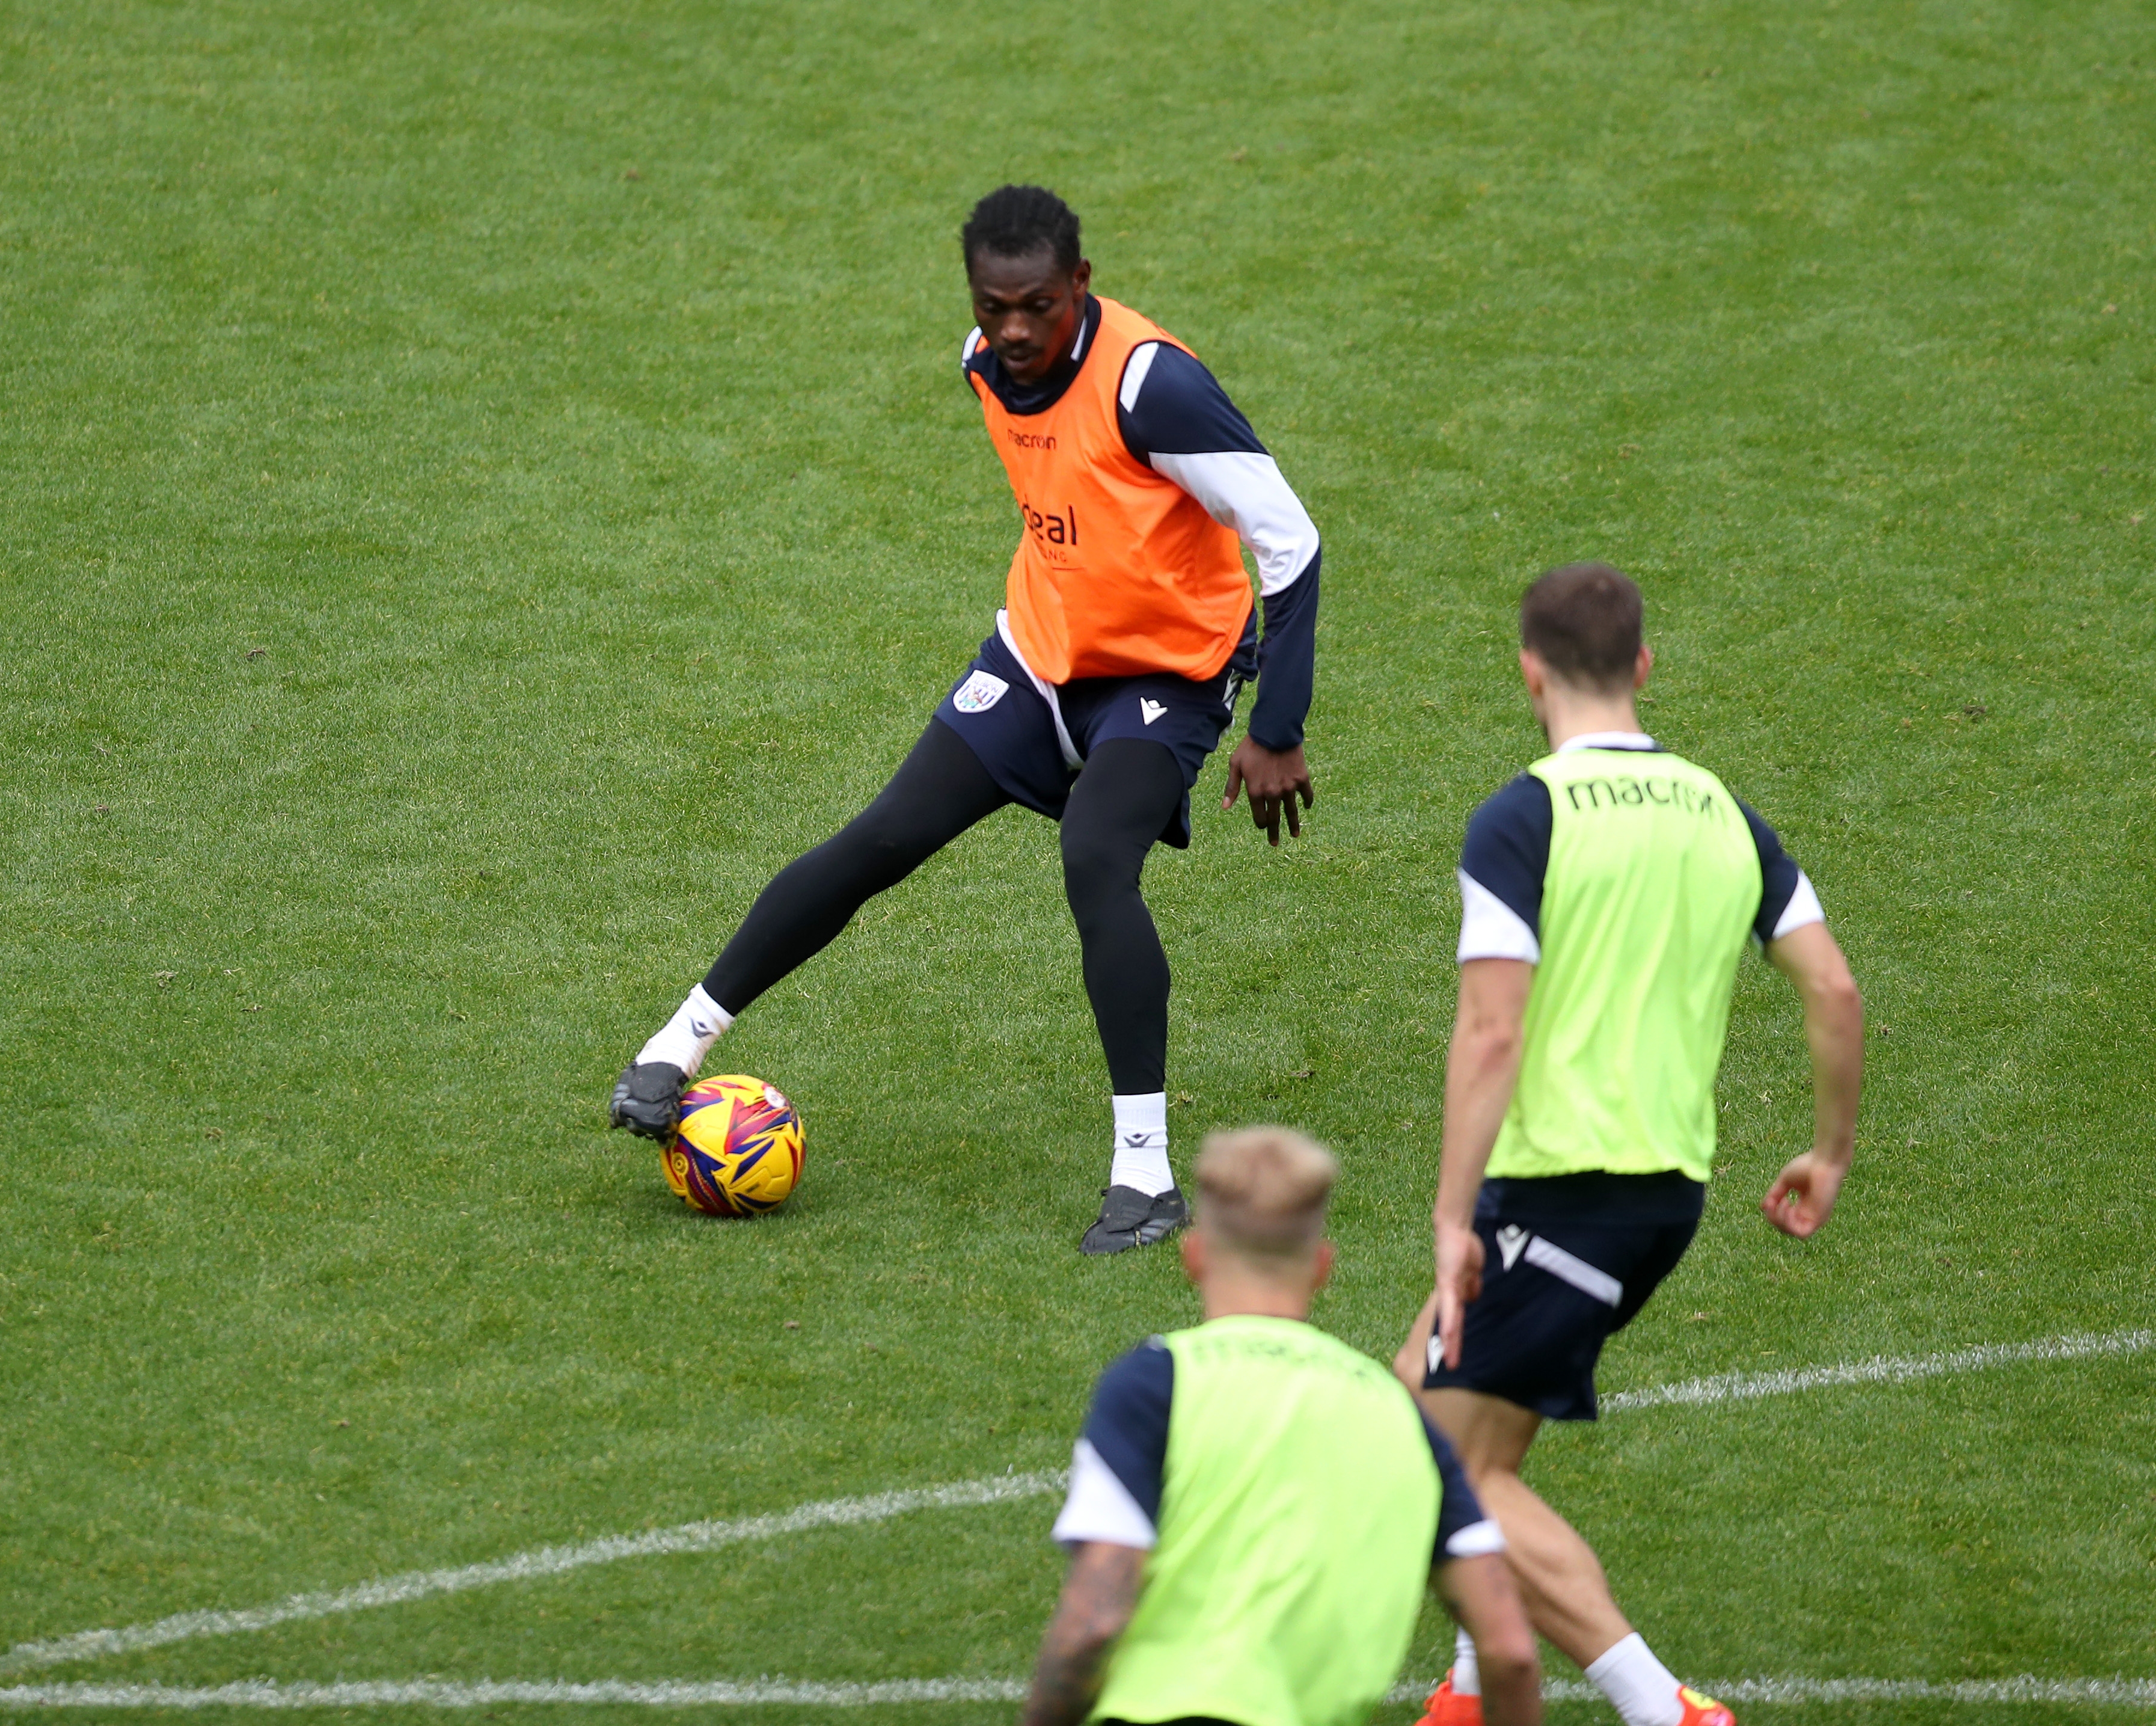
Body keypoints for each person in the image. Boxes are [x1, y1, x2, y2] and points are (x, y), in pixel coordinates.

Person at [609, 184, 1324, 1254]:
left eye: (1038, 304)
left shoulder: (1155, 389)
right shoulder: (984, 364)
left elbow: (1293, 542)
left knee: (1096, 856)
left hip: (1168, 673)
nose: (1016, 330)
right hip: (1041, 655)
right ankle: (674, 1048)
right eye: (996, 307)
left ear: (1081, 284)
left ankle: (1147, 1177)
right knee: (884, 836)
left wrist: (1278, 724)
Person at [1397, 564, 1865, 1726]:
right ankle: (1470, 1683)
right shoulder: (1723, 813)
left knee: (1432, 1466)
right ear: (1645, 668)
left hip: (1563, 1188)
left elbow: (1493, 1024)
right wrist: (1829, 1150)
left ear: (1529, 671)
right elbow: (1835, 989)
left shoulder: (1524, 816)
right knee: (1427, 1397)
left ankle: (1662, 1709)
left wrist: (1455, 1216)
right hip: (1661, 1190)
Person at [1023, 1126, 1542, 1726]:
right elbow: (1509, 1650)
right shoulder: (1398, 1412)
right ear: (1322, 1267)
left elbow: (1094, 1621)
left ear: (1194, 1256)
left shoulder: (1155, 1383)